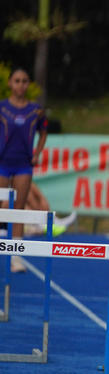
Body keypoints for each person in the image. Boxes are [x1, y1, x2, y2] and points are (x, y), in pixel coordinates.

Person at [0, 67, 48, 273]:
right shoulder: (2, 107)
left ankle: (16, 257)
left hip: (23, 165)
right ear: (10, 83)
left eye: (24, 81)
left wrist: (37, 152)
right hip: (2, 163)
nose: (21, 85)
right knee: (1, 206)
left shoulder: (35, 111)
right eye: (17, 81)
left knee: (18, 210)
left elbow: (44, 131)